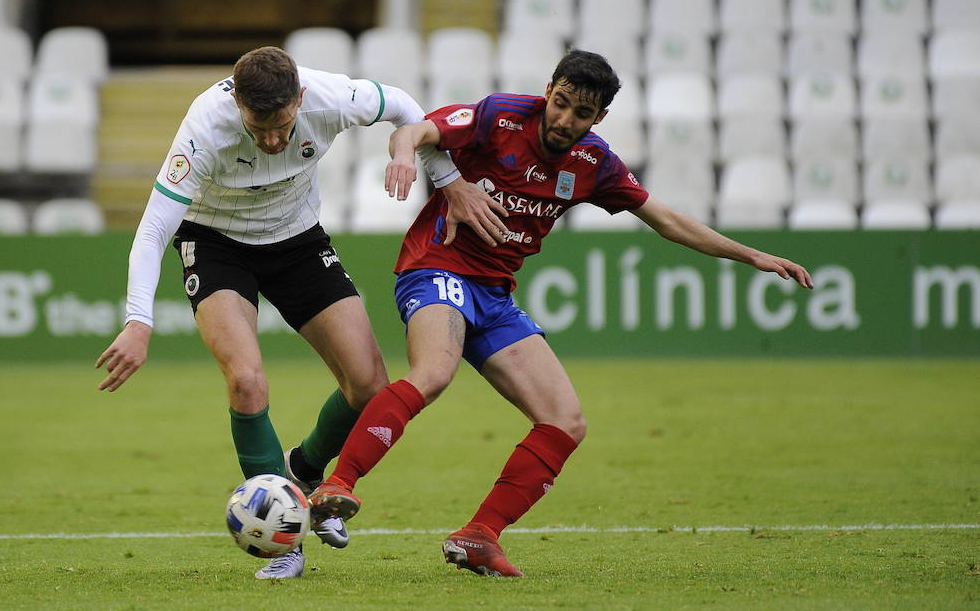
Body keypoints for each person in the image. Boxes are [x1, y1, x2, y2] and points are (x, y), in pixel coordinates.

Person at [309, 50, 815, 577]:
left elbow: (665, 219)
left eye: (580, 113)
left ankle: (479, 535)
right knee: (435, 372)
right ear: (549, 90)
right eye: (560, 103)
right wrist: (412, 163)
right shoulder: (499, 116)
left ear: (599, 118)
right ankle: (338, 483)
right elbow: (414, 130)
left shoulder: (594, 162)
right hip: (437, 267)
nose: (564, 119)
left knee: (566, 421)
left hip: (495, 295)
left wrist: (752, 255)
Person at [95, 46, 506, 581]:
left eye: (281, 125)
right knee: (246, 381)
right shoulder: (205, 126)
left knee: (369, 385)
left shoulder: (332, 96)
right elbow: (152, 231)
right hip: (217, 242)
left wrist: (444, 178)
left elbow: (406, 106)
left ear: (301, 100)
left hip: (296, 239)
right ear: (237, 103)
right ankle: (283, 540)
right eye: (256, 126)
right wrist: (138, 320)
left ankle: (302, 473)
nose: (269, 139)